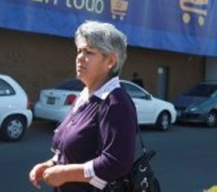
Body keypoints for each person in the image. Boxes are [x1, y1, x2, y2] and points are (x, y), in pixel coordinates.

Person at [29, 21, 137, 191]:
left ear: (110, 60)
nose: (80, 57)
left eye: (89, 52)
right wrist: (51, 164)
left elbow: (117, 163)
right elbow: (75, 150)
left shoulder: (115, 101)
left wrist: (65, 174)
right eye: (79, 51)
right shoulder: (84, 97)